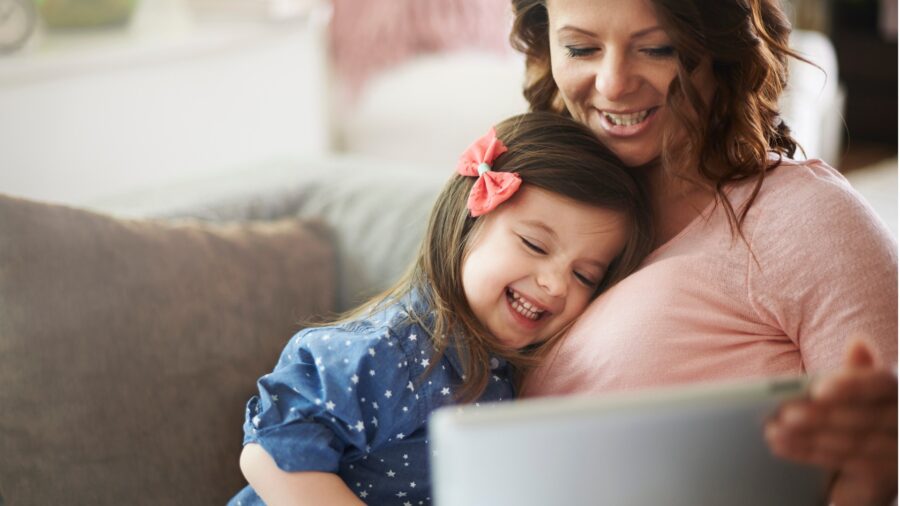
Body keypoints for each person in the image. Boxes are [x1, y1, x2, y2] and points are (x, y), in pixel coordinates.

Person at [510, 0, 898, 504]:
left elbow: (881, 459)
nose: (612, 84)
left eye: (656, 48)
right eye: (581, 48)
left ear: (719, 45)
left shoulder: (808, 220)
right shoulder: (529, 208)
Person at [228, 111, 654, 505]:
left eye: (585, 276)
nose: (556, 284)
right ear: (467, 223)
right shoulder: (392, 349)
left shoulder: (501, 368)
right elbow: (270, 450)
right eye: (535, 245)